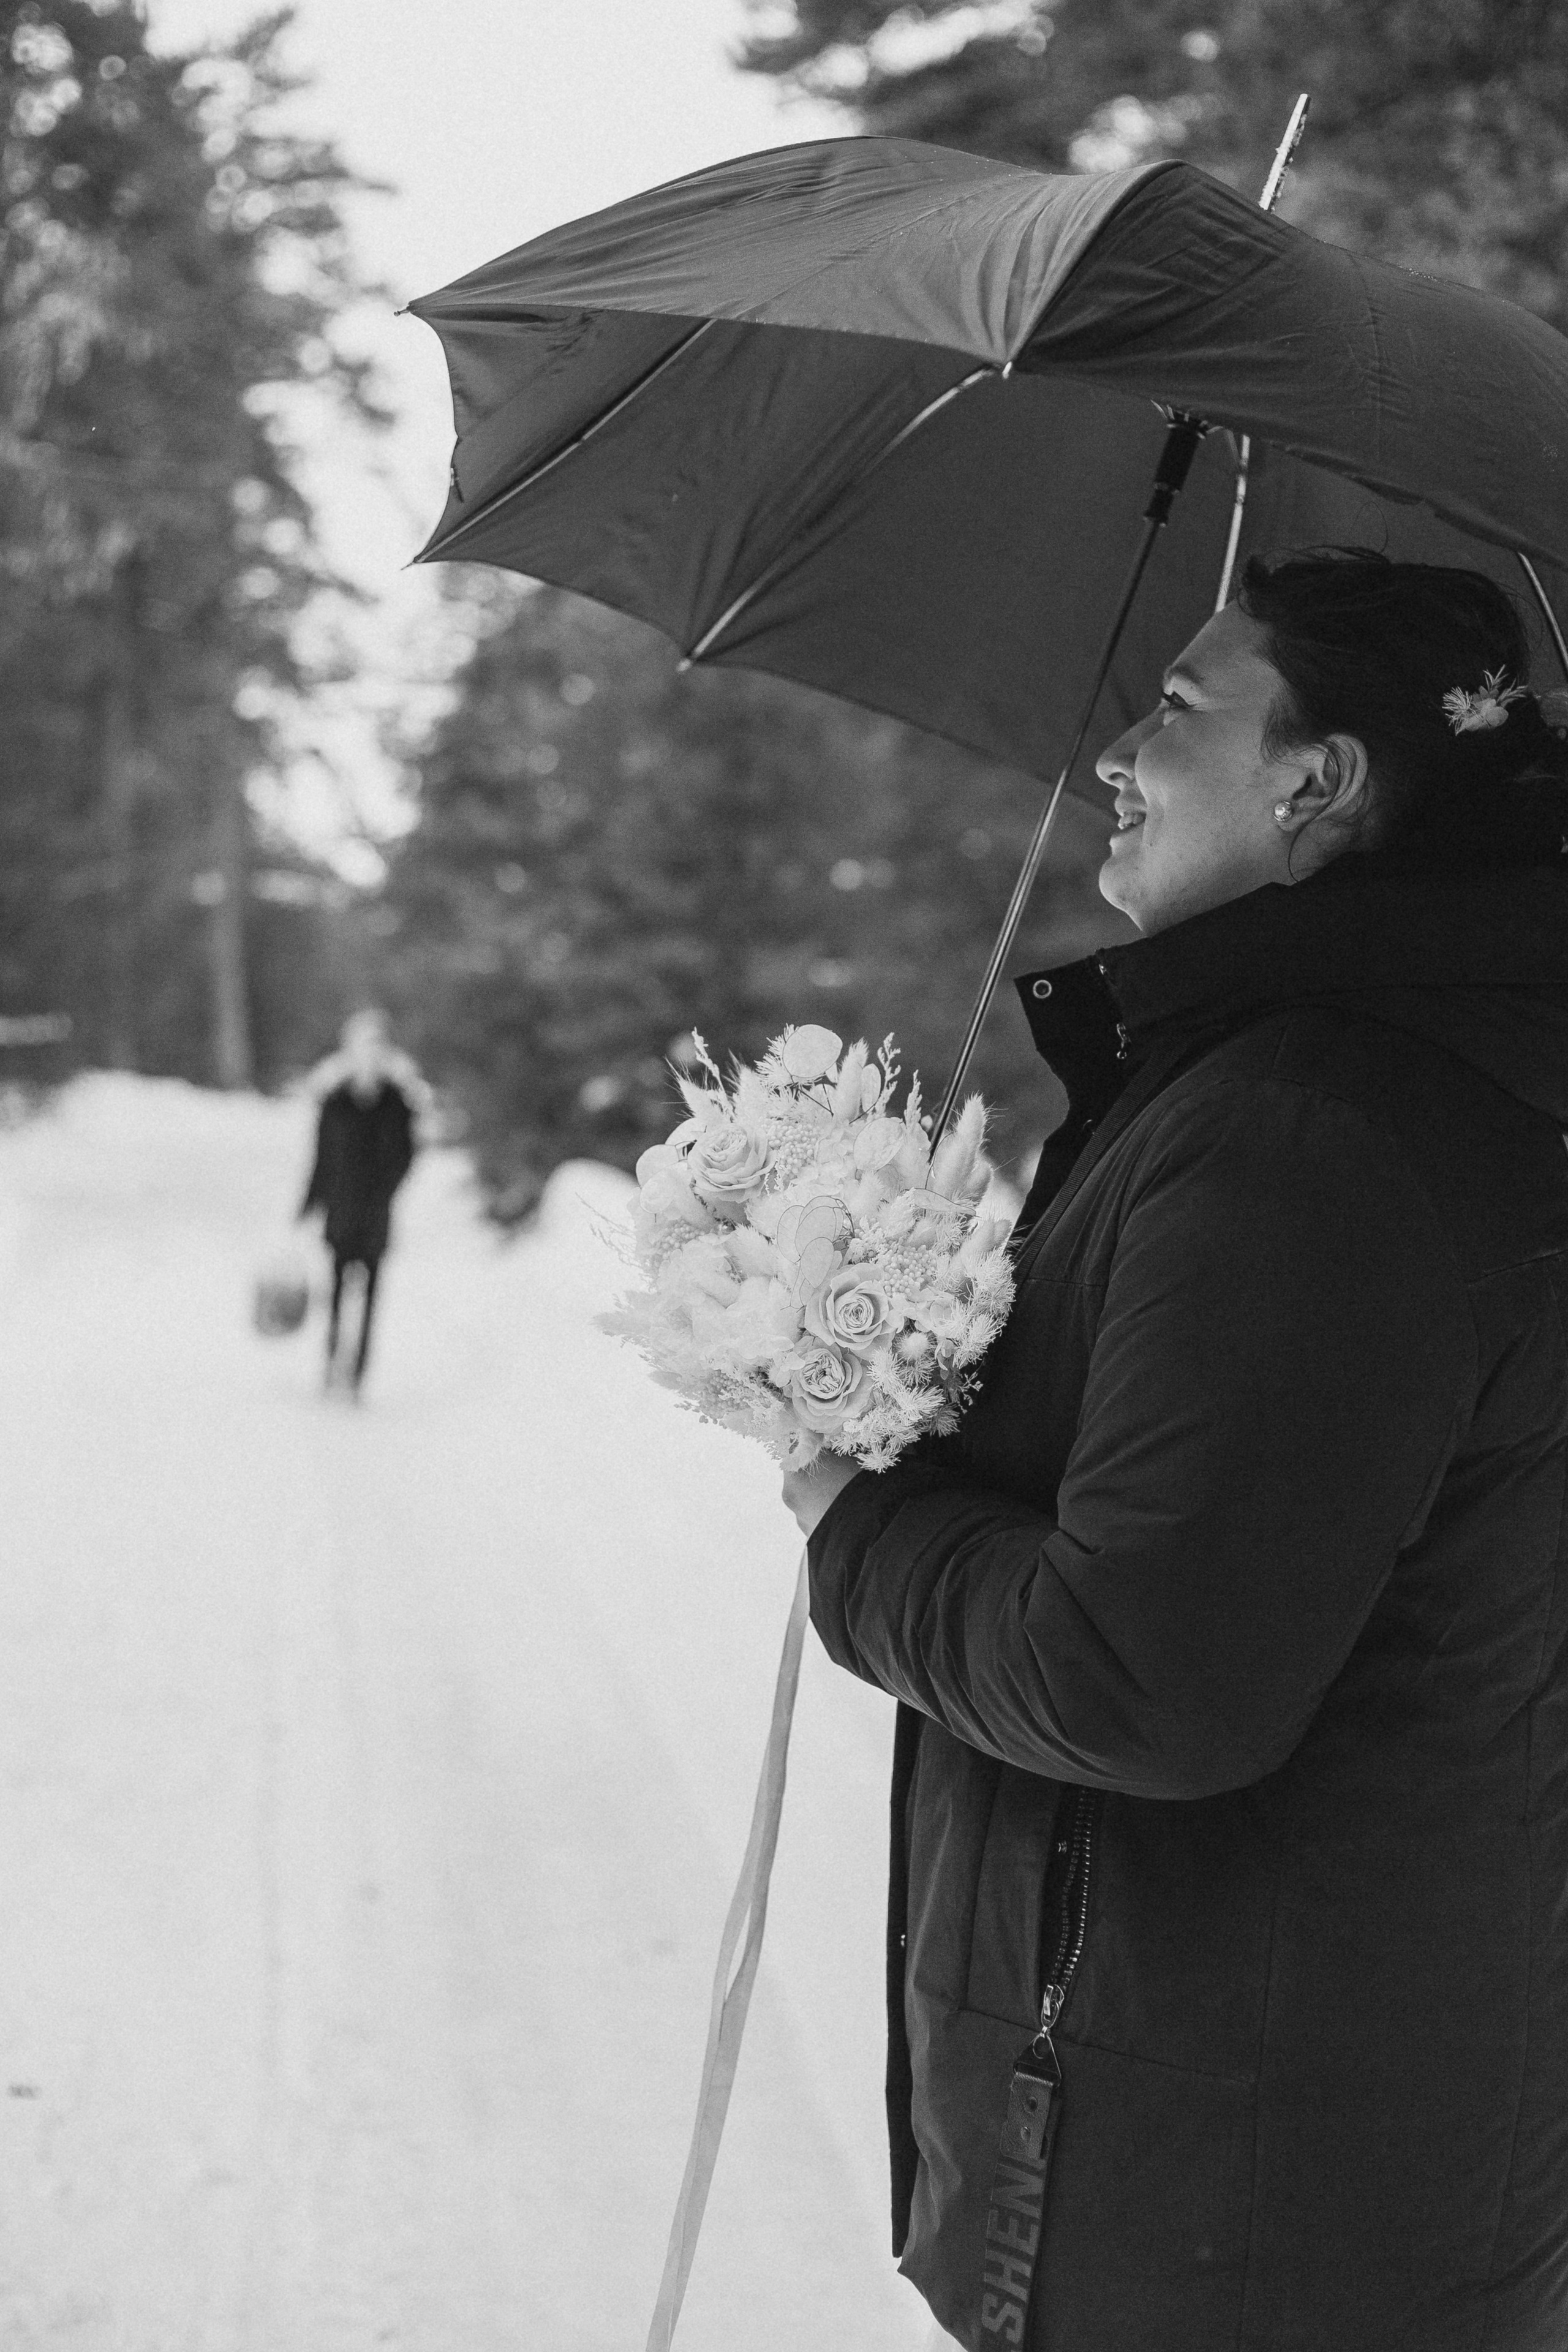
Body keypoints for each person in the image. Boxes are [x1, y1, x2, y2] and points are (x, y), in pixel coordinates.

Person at [785, 550, 1568, 2351]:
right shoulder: (1415, 1072)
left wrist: (850, 1524)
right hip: (1320, 2166)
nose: (1121, 752)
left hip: (1224, 2210)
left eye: (1185, 709)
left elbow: (1141, 1670)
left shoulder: (1313, 1123)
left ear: (1317, 785)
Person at [299, 1009, 419, 1394]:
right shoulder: (334, 1102)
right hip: (340, 1212)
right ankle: (332, 1360)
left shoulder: (398, 1103)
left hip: (375, 1214)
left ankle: (359, 1372)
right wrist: (310, 1202)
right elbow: (321, 1158)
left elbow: (406, 1157)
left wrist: (385, 1191)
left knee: (370, 1295)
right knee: (334, 1291)